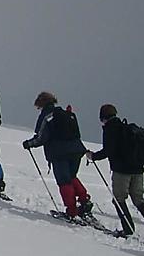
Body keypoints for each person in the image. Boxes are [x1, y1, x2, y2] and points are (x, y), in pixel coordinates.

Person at [85, 104, 144, 241]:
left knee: (118, 199)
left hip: (122, 170)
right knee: (138, 199)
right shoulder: (126, 127)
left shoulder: (110, 129)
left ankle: (128, 229)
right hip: (138, 169)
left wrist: (93, 156)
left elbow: (108, 150)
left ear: (103, 117)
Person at [22, 91, 92, 220]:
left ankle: (71, 211)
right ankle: (84, 200)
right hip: (77, 150)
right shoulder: (67, 114)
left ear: (41, 103)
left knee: (64, 181)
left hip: (60, 153)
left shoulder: (47, 116)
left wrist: (29, 144)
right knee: (72, 177)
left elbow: (42, 137)